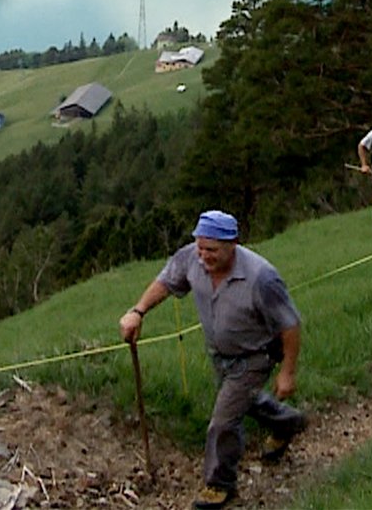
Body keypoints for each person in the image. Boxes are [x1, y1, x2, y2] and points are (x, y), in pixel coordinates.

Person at [120, 210, 305, 510]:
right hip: (221, 356)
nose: (204, 256)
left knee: (222, 422)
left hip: (255, 355)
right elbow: (166, 281)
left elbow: (290, 325)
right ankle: (287, 422)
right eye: (200, 247)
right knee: (244, 402)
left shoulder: (261, 277)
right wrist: (138, 311)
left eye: (212, 250)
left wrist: (288, 373)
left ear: (232, 244)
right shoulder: (192, 258)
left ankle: (220, 484)